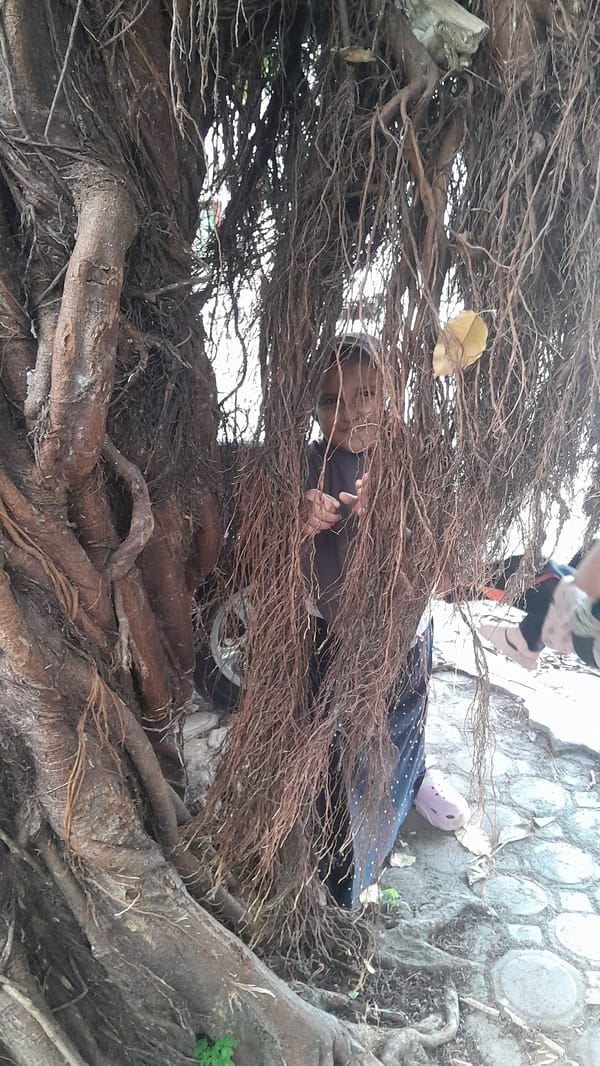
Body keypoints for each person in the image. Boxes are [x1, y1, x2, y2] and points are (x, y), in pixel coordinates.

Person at [302, 334, 469, 907]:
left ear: (393, 394)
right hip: (327, 633)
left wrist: (399, 516)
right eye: (329, 402)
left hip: (402, 637)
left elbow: (448, 571)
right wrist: (299, 523)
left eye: (367, 393)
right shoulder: (306, 464)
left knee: (399, 730)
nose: (349, 412)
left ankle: (412, 781)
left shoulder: (416, 459)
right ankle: (336, 872)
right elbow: (270, 558)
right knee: (329, 749)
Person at [479, 541, 599, 671]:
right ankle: (527, 638)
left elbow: (586, 582)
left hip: (589, 635)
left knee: (545, 578)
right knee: (590, 549)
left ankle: (458, 578)